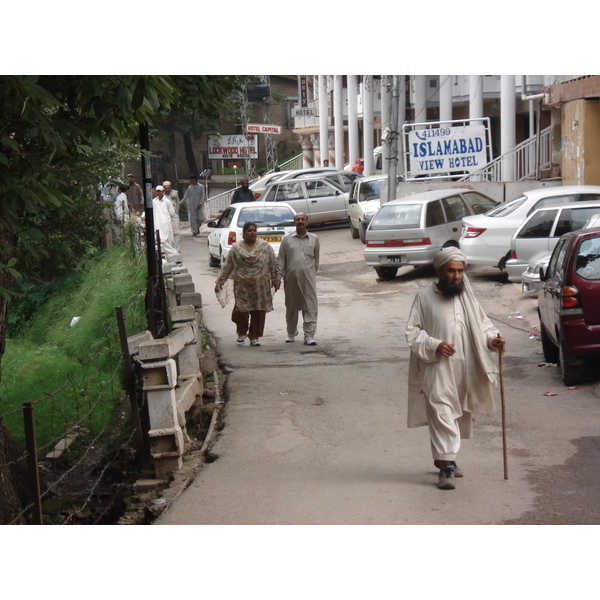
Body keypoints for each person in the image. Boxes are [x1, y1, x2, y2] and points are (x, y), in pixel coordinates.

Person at [405, 247, 506, 491]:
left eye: (460, 271)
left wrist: (493, 341)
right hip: (436, 367)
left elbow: (484, 327)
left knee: (457, 414)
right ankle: (447, 466)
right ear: (439, 270)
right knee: (441, 411)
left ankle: (444, 457)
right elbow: (413, 331)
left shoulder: (467, 298)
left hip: (466, 369)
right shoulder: (424, 297)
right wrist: (435, 344)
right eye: (451, 271)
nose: (457, 276)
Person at [214, 222, 280, 347]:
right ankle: (241, 333)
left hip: (260, 285)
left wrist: (276, 279)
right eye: (249, 230)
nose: (252, 233)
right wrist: (220, 281)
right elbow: (228, 266)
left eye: (254, 230)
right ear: (244, 233)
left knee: (259, 311)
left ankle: (255, 336)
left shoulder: (265, 247)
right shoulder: (236, 248)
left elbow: (272, 263)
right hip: (242, 285)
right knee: (241, 310)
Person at [277, 212, 320, 346]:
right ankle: (291, 332)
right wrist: (278, 277)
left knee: (310, 305)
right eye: (297, 219)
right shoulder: (287, 240)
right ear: (294, 222)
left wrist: (309, 272)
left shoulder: (314, 239)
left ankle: (309, 335)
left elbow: (316, 260)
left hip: (308, 279)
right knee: (291, 306)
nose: (300, 221)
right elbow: (281, 260)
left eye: (303, 219)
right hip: (291, 279)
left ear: (307, 222)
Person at [152, 185, 177, 255]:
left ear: (163, 192)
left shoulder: (167, 201)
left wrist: (165, 218)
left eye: (160, 191)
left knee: (168, 239)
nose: (159, 193)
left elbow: (172, 212)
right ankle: (172, 252)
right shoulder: (154, 201)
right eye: (157, 191)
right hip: (157, 223)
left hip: (166, 223)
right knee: (159, 239)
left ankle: (171, 253)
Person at [163, 180, 181, 250]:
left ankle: (176, 250)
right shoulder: (162, 196)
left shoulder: (174, 194)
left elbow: (177, 204)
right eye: (166, 188)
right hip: (166, 217)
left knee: (176, 233)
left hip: (174, 216)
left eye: (168, 188)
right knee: (168, 234)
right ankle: (170, 250)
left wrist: (176, 213)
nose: (167, 190)